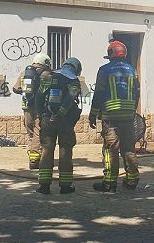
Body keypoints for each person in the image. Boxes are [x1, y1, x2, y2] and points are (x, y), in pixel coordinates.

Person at [89, 40, 141, 193]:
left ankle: (109, 183)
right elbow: (136, 92)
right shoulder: (132, 70)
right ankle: (132, 181)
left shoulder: (104, 70)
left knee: (110, 150)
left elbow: (99, 93)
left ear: (111, 54)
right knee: (129, 149)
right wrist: (132, 110)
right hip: (128, 117)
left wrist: (93, 114)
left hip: (111, 118)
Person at [35, 57, 83, 195]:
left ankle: (44, 186)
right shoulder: (74, 80)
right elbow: (70, 99)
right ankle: (65, 186)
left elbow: (38, 97)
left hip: (47, 119)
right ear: (76, 69)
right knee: (66, 152)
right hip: (65, 122)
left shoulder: (50, 77)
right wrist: (60, 114)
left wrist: (41, 115)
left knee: (46, 151)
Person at [12, 53, 52, 169]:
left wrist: (25, 92)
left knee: (30, 132)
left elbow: (15, 88)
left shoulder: (25, 73)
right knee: (38, 132)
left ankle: (33, 153)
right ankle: (34, 160)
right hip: (40, 108)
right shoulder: (47, 74)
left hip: (26, 107)